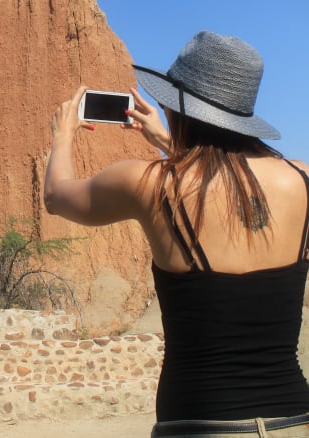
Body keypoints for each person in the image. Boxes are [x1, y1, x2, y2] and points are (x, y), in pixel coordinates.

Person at [44, 31, 309, 437]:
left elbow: (57, 196)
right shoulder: (301, 180)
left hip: (197, 425)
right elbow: (225, 179)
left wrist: (63, 134)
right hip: (294, 421)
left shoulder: (148, 184)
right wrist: (169, 142)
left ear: (180, 108)